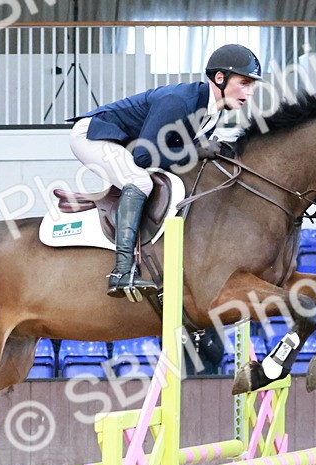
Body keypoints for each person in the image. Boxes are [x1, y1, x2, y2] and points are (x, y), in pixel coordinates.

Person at [70, 44, 262, 301]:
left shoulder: (212, 113)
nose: (249, 93)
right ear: (220, 78)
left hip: (125, 143)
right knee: (139, 181)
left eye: (253, 85)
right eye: (245, 83)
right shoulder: (179, 101)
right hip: (94, 134)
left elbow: (176, 156)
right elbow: (145, 158)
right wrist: (196, 151)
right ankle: (122, 271)